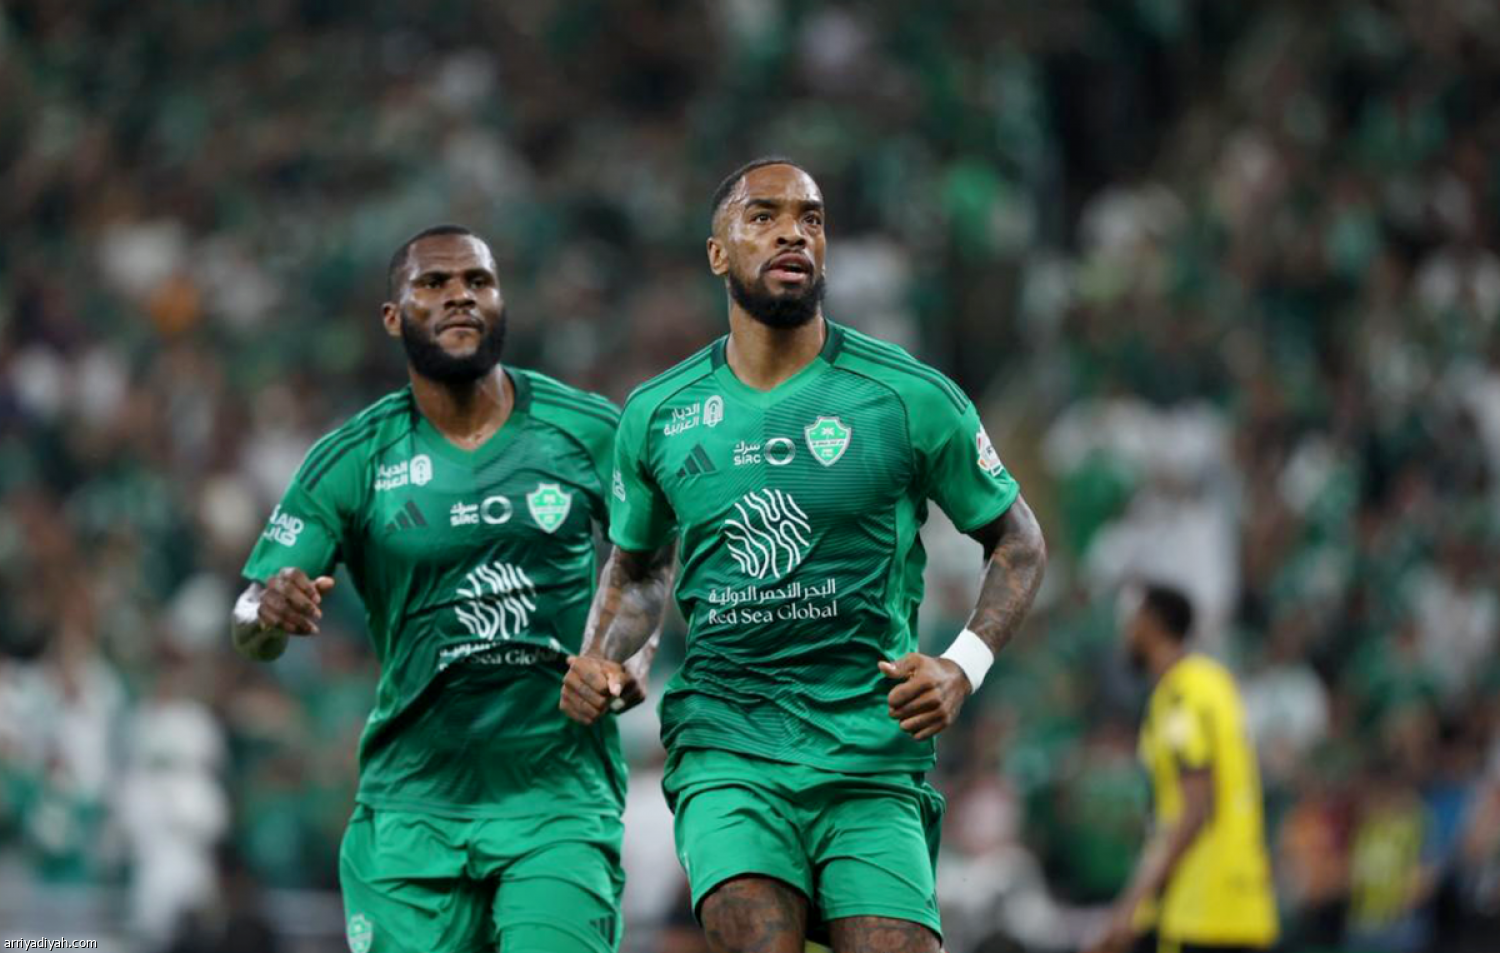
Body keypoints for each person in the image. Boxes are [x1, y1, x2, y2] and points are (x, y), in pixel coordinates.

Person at [559, 157, 1048, 953]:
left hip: (870, 754)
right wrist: (604, 657)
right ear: (717, 252)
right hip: (729, 746)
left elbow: (1019, 540)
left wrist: (962, 666)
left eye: (811, 218)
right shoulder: (659, 413)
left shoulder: (907, 397)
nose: (793, 231)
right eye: (764, 216)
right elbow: (640, 566)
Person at [231, 225, 647, 953]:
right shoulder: (353, 458)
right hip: (412, 807)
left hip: (556, 799)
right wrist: (266, 610)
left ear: (502, 302)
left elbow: (649, 564)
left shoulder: (588, 430)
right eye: (433, 283)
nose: (460, 295)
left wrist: (622, 659)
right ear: (393, 317)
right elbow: (248, 622)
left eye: (478, 281)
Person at [1089, 583, 1278, 953]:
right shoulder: (1210, 682)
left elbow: (1193, 810)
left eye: (1130, 621)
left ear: (1152, 624)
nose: (1124, 634)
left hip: (1204, 909)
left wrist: (1129, 907)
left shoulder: (1182, 695)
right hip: (1237, 901)